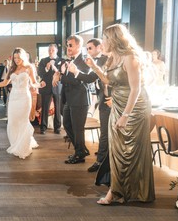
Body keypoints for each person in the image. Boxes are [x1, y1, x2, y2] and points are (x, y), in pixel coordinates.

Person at [85, 24, 155, 205]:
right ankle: (120, 191)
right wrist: (93, 66)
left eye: (105, 38)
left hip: (135, 108)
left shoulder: (130, 58)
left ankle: (118, 192)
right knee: (116, 149)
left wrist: (126, 115)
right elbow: (109, 81)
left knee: (130, 150)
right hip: (118, 105)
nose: (102, 42)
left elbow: (136, 88)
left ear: (114, 40)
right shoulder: (112, 58)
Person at [0, 48, 39, 159]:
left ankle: (23, 146)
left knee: (23, 121)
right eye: (15, 58)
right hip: (13, 98)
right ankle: (16, 143)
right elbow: (4, 83)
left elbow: (34, 83)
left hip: (24, 98)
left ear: (23, 57)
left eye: (18, 57)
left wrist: (40, 85)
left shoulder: (29, 67)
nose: (16, 60)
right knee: (12, 122)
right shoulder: (11, 68)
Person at [59, 35, 97, 165]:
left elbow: (76, 81)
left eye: (70, 45)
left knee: (77, 129)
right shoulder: (71, 60)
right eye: (67, 45)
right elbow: (68, 80)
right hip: (70, 99)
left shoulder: (85, 60)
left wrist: (62, 75)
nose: (68, 48)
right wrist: (63, 75)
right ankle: (81, 150)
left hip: (80, 100)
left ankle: (79, 153)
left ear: (79, 46)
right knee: (67, 125)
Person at [86, 38, 112, 181]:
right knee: (104, 134)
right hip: (104, 102)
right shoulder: (100, 61)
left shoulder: (120, 60)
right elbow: (92, 77)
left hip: (117, 102)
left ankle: (112, 164)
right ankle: (100, 162)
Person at [36, 45, 62, 135]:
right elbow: (39, 73)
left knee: (58, 108)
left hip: (57, 87)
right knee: (45, 108)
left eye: (53, 50)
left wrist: (54, 68)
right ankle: (43, 128)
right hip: (46, 87)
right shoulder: (43, 60)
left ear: (56, 50)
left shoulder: (61, 60)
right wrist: (46, 68)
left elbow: (62, 74)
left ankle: (57, 128)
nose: (51, 51)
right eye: (49, 50)